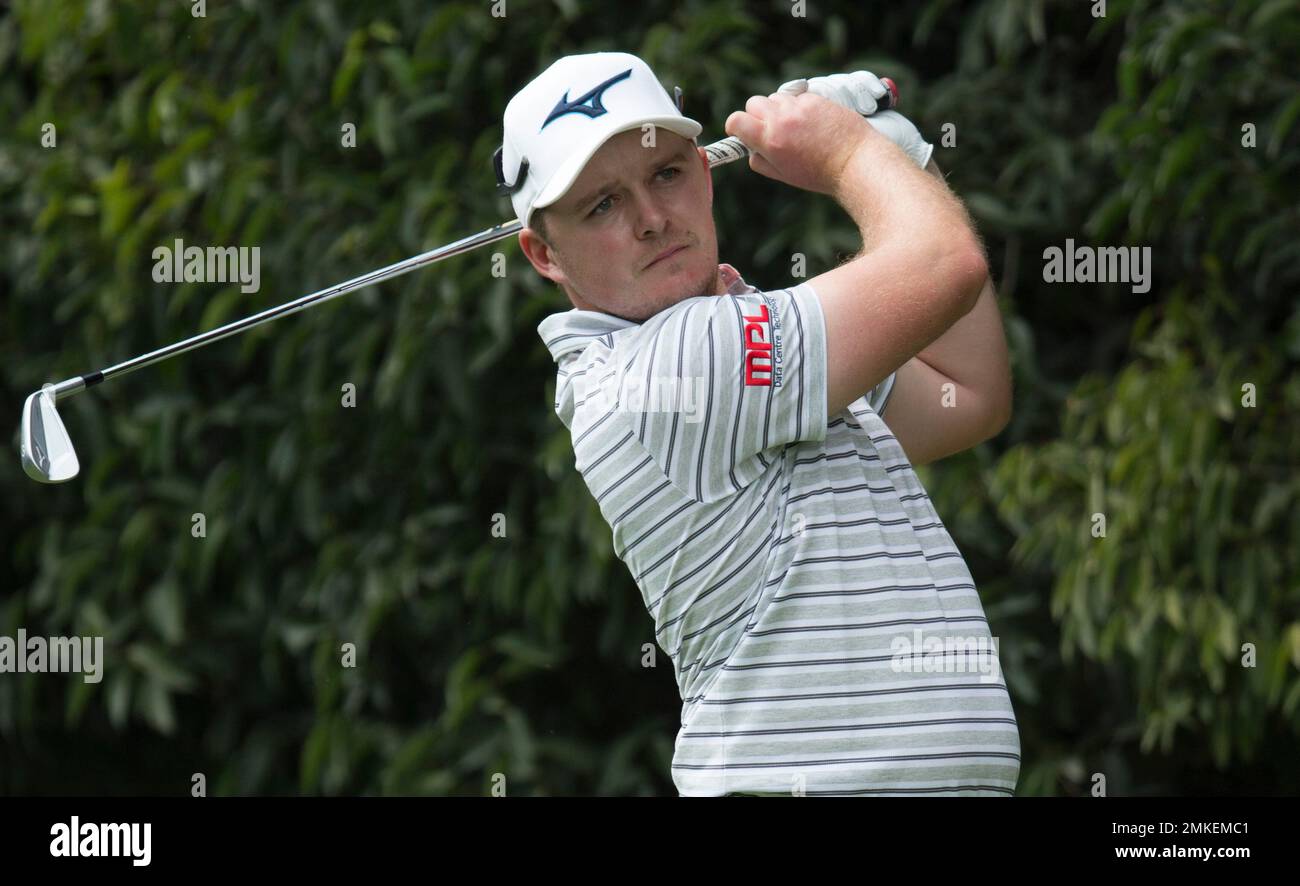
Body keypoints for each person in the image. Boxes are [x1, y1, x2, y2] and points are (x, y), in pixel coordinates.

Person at [499, 51, 1018, 796]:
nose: (650, 219)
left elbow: (968, 394)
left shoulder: (763, 347)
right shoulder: (671, 368)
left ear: (707, 173)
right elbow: (946, 265)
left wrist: (902, 158)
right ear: (544, 254)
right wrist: (848, 153)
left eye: (666, 174)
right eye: (602, 205)